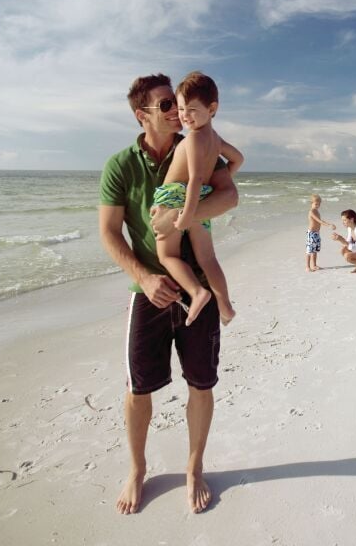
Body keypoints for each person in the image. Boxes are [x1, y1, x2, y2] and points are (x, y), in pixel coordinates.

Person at [99, 72, 238, 516]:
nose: (176, 111)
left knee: (201, 383)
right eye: (165, 106)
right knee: (139, 388)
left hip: (195, 277)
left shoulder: (192, 143)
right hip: (150, 291)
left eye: (176, 103)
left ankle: (194, 468)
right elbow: (108, 232)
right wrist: (144, 276)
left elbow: (229, 195)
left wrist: (177, 216)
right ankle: (137, 469)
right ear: (142, 115)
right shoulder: (121, 165)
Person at [153, 71, 243, 327]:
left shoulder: (193, 138)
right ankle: (225, 306)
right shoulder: (215, 140)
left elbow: (192, 180)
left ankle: (196, 292)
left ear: (212, 108)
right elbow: (238, 159)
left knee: (167, 256)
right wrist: (223, 177)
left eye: (191, 109)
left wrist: (185, 217)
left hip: (174, 197)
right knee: (208, 258)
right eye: (181, 108)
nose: (184, 115)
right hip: (199, 197)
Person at [305, 194, 337, 272]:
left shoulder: (317, 211)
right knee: (309, 250)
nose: (317, 205)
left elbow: (322, 221)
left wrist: (329, 223)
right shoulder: (311, 211)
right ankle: (307, 267)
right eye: (316, 204)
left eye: (319, 204)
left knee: (315, 250)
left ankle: (314, 265)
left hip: (316, 233)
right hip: (311, 233)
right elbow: (319, 221)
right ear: (311, 203)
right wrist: (329, 225)